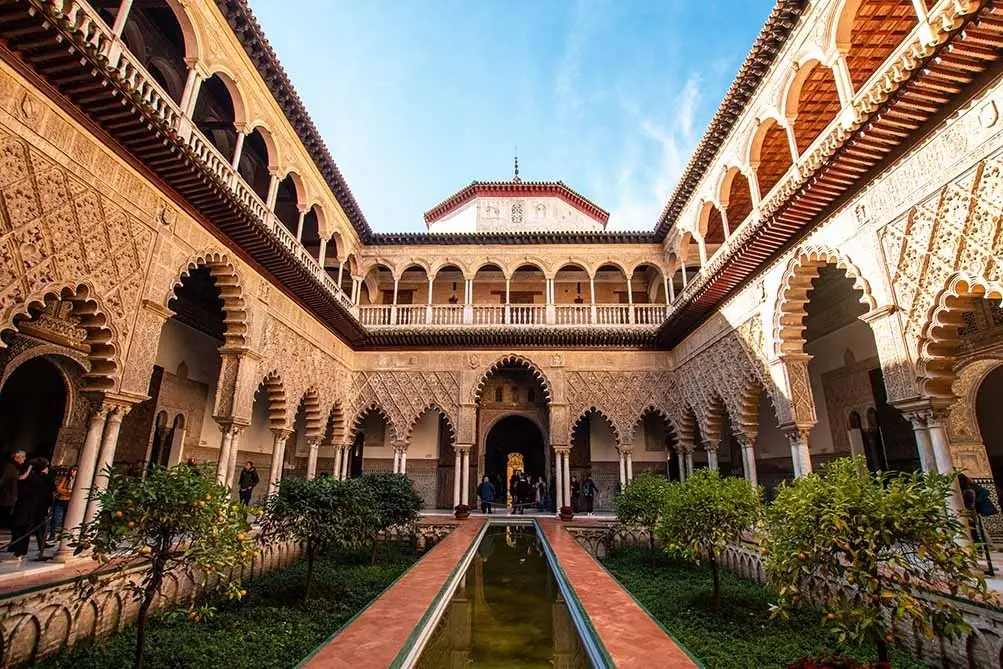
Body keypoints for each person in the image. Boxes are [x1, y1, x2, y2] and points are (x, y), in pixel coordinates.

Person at [959, 473, 998, 575]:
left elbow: (984, 493)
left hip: (970, 516)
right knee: (975, 534)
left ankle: (976, 555)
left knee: (974, 534)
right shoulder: (968, 489)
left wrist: (977, 502)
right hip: (971, 516)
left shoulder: (970, 490)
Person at [0, 451, 26, 530]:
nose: (24, 459)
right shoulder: (10, 466)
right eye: (22, 457)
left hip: (9, 494)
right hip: (7, 494)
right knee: (5, 512)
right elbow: (20, 477)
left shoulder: (14, 466)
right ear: (16, 458)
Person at [49, 466, 76, 541]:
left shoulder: (78, 480)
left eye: (74, 470)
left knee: (65, 519)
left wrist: (66, 492)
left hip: (69, 501)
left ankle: (62, 535)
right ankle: (52, 534)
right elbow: (58, 489)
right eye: (72, 470)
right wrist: (67, 492)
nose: (73, 472)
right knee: (55, 517)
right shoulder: (66, 478)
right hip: (60, 500)